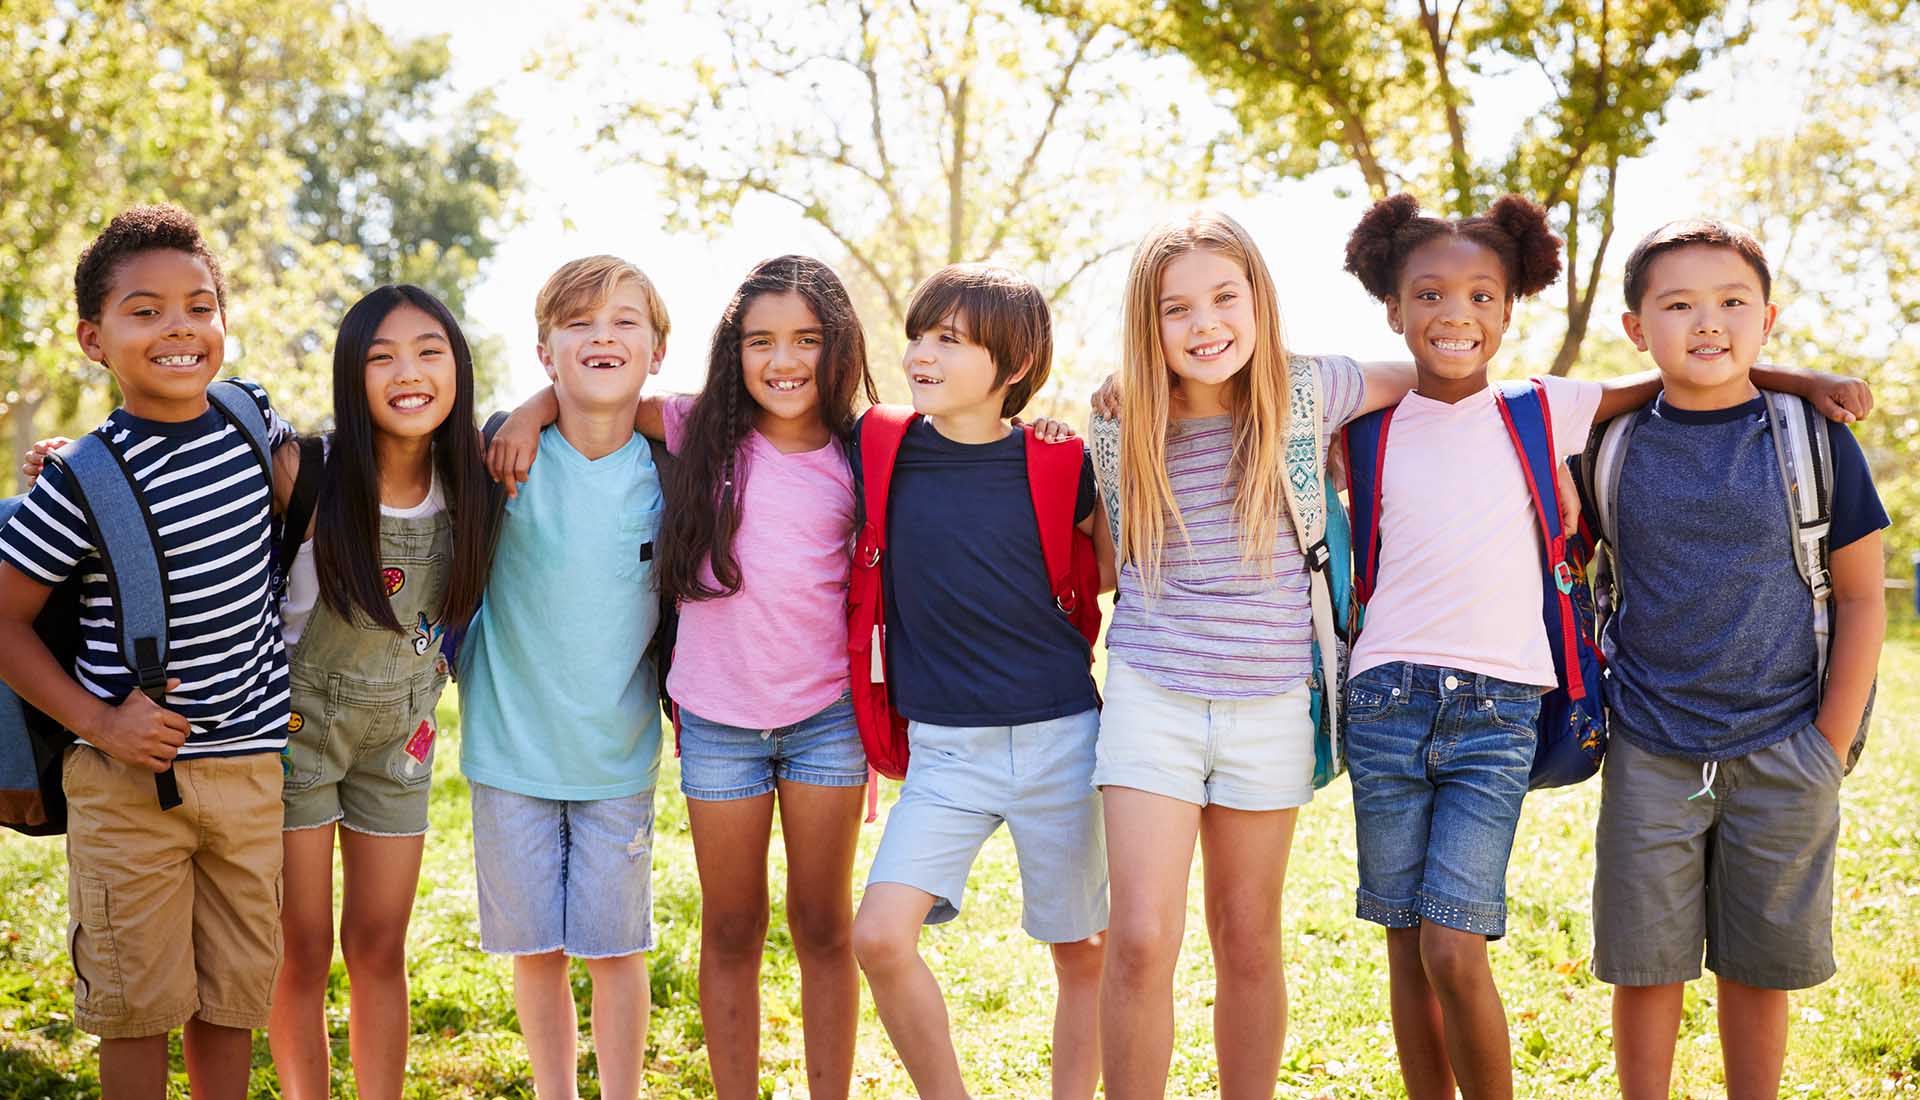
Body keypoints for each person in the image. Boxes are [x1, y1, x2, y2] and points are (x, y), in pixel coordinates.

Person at [492, 254, 878, 1099]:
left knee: (823, 926)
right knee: (731, 927)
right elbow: (601, 394)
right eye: (761, 341)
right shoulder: (698, 427)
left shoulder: (865, 451)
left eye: (807, 341)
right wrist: (528, 409)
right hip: (718, 723)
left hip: (827, 719)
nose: (783, 361)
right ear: (731, 350)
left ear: (839, 347)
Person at [0, 204, 293, 1100]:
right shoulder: (80, 481)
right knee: (135, 1005)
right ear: (94, 338)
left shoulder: (254, 421)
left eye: (200, 305)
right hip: (128, 787)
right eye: (146, 309)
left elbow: (302, 513)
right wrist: (99, 723)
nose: (179, 327)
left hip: (249, 773)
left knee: (233, 998)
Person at [1592, 219, 1887, 1100]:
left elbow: (1863, 594)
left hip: (1788, 740)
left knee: (1759, 968)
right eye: (1678, 305)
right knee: (1646, 964)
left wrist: (1827, 744)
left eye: (1732, 303)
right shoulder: (1611, 443)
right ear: (1638, 330)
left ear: (1768, 318)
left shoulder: (1813, 438)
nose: (1708, 322)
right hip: (1650, 741)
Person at [847, 263, 1111, 1100]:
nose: (921, 352)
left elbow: (1110, 569)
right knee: (881, 939)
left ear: (1013, 367)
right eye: (920, 334)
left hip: (1063, 737)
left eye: (949, 341)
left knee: (1082, 954)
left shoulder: (1062, 462)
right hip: (944, 752)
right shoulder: (880, 444)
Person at [264, 285, 499, 1100]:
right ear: (351, 374)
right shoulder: (306, 468)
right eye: (382, 356)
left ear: (459, 367)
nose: (410, 372)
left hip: (402, 741)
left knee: (377, 947)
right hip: (296, 733)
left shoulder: (475, 476)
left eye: (430, 351)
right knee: (301, 948)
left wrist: (534, 413)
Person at [457, 255, 670, 1100]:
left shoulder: (670, 464)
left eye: (625, 322)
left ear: (657, 349)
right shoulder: (502, 461)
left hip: (617, 753)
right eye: (579, 323)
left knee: (618, 950)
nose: (603, 336)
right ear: (546, 351)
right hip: (510, 750)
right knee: (536, 951)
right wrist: (526, 412)